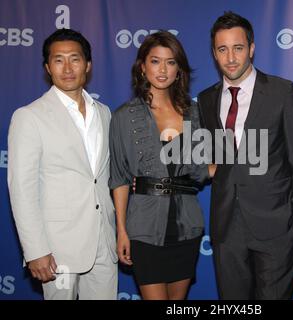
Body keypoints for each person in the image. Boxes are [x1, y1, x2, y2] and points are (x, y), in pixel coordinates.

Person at [198, 12, 293, 299]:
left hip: (276, 227)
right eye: (222, 49)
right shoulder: (207, 99)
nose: (231, 57)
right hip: (226, 229)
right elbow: (213, 158)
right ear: (214, 54)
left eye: (238, 47)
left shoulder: (283, 93)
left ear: (251, 48)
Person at [7, 28, 118, 300]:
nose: (67, 67)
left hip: (104, 240)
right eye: (58, 60)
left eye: (75, 58)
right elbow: (22, 189)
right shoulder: (29, 117)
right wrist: (35, 250)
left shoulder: (104, 113)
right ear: (47, 67)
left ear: (88, 65)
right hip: (57, 247)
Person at [109, 31, 211, 300]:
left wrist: (241, 162)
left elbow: (201, 170)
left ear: (179, 70)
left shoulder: (194, 113)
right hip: (143, 227)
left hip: (186, 225)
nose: (163, 69)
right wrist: (121, 229)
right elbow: (119, 178)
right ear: (142, 66)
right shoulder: (124, 116)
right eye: (155, 61)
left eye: (171, 62)